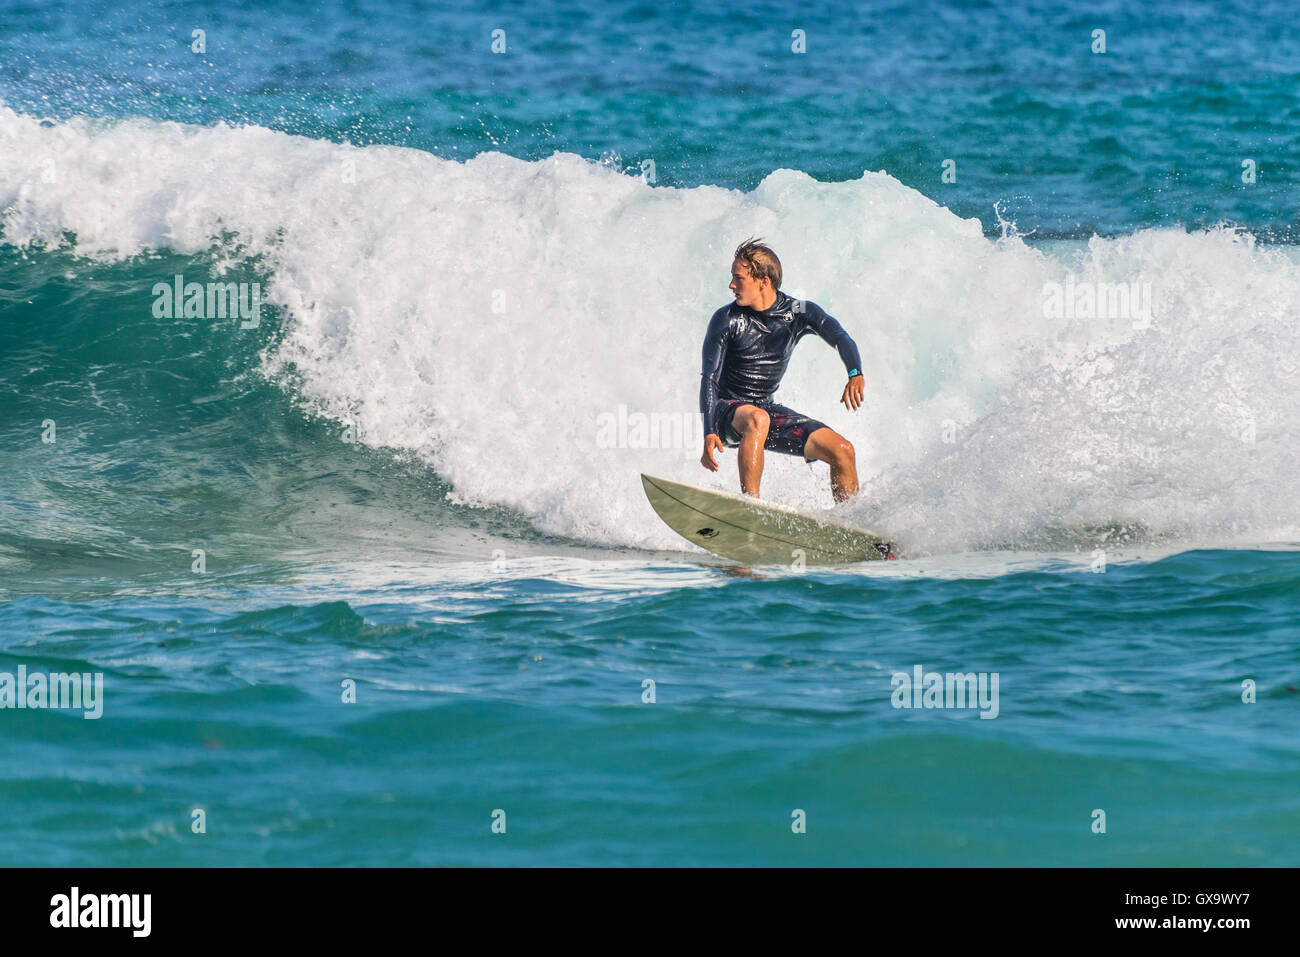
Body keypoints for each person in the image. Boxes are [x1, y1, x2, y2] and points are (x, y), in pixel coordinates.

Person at [699, 237, 865, 502]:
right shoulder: (726, 318)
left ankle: (854, 527)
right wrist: (708, 431)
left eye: (738, 278)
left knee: (843, 450)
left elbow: (840, 337)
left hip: (766, 410)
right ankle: (751, 508)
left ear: (763, 281)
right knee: (757, 419)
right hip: (725, 411)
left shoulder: (797, 310)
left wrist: (855, 373)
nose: (731, 285)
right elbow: (709, 378)